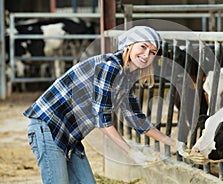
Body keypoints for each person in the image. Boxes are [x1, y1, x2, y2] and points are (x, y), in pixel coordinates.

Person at [23, 26, 187, 183]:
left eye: (152, 52)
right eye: (143, 46)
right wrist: (131, 152)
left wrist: (175, 144)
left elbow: (137, 120)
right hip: (48, 127)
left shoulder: (125, 77)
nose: (146, 54)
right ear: (129, 45)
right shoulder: (110, 67)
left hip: (70, 136)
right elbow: (101, 118)